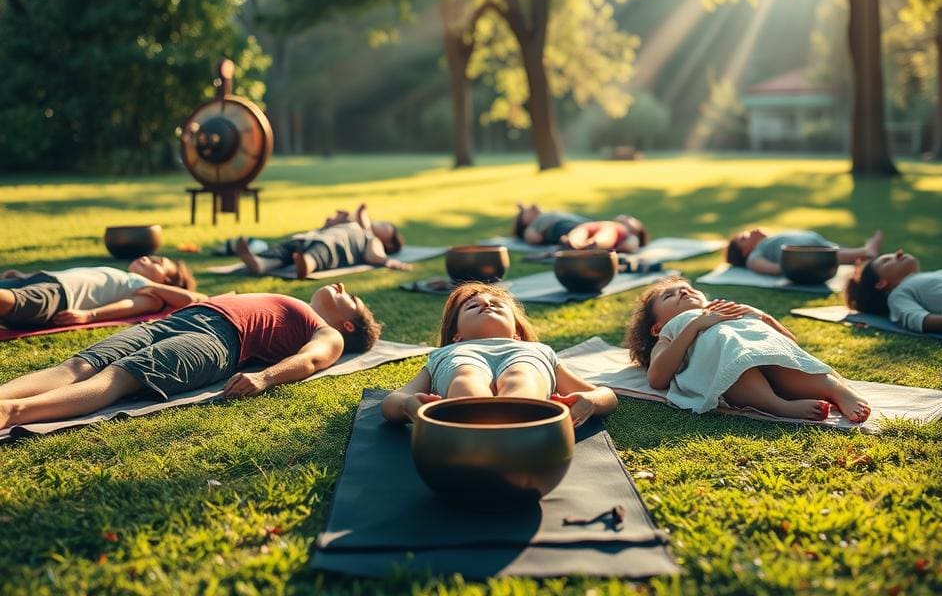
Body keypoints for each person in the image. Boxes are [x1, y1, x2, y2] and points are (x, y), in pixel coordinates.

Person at [0, 284, 381, 429]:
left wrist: (265, 378)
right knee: (78, 365)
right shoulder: (294, 301)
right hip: (183, 318)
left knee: (117, 377)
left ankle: (12, 413)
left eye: (352, 297)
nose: (343, 287)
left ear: (348, 324)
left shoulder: (328, 333)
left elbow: (312, 360)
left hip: (219, 341)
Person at [624, 276, 871, 422]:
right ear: (656, 328)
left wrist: (762, 317)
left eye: (687, 289)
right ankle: (776, 405)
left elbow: (790, 344)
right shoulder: (670, 332)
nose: (683, 292)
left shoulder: (726, 309)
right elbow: (657, 378)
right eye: (670, 296)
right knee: (739, 370)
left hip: (766, 354)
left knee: (786, 361)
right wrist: (695, 325)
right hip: (730, 369)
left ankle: (836, 391)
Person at [381, 282, 618, 426]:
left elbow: (605, 395)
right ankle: (474, 422)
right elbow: (393, 400)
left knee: (522, 375)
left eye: (497, 304)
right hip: (465, 415)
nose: (486, 304)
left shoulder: (536, 350)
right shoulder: (446, 353)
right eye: (473, 306)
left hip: (525, 404)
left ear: (517, 332)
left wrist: (590, 402)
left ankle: (519, 421)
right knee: (467, 376)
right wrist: (409, 406)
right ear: (457, 335)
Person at [0, 256, 202, 329]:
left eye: (158, 263)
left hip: (59, 296)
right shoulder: (128, 278)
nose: (149, 258)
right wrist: (24, 275)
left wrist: (90, 315)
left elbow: (190, 299)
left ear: (166, 283)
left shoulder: (149, 293)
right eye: (153, 257)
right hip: (41, 281)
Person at [235, 202, 409, 278]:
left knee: (319, 254)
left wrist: (387, 261)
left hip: (335, 244)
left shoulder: (370, 237)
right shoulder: (356, 224)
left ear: (389, 243)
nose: (383, 224)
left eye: (387, 227)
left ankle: (306, 266)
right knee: (287, 247)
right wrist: (334, 221)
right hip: (310, 237)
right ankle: (260, 263)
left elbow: (374, 255)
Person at [844, 250, 942, 334]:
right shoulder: (898, 294)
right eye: (887, 260)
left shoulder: (934, 274)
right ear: (881, 283)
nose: (899, 253)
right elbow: (918, 320)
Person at [726, 228, 883, 276]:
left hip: (817, 242)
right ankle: (867, 251)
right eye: (744, 237)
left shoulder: (769, 240)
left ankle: (864, 254)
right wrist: (785, 268)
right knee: (831, 256)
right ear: (745, 251)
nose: (752, 231)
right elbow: (756, 264)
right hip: (802, 254)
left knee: (839, 253)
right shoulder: (756, 253)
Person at [561, 215, 649, 253]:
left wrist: (618, 249)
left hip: (609, 231)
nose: (626, 217)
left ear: (636, 231)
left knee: (606, 234)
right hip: (588, 227)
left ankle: (591, 245)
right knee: (580, 232)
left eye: (630, 218)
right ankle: (574, 244)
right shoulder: (611, 223)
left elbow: (631, 246)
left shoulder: (626, 232)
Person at [513, 204, 592, 246]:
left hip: (581, 223)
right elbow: (535, 239)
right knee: (582, 233)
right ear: (523, 221)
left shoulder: (543, 215)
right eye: (526, 211)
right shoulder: (530, 228)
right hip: (558, 227)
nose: (530, 208)